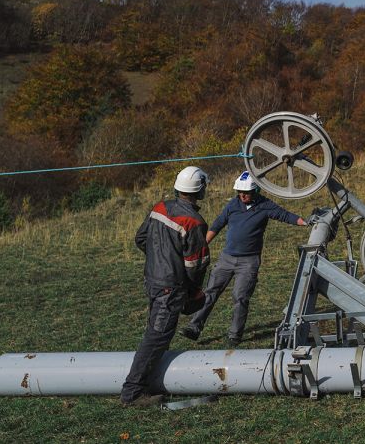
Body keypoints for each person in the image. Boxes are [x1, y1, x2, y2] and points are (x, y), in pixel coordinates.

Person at [180, 170, 306, 347]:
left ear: (255, 191)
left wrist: (305, 222)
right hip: (226, 258)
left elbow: (285, 216)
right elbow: (218, 224)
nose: (242, 195)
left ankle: (235, 335)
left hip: (249, 262)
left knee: (240, 297)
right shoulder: (233, 205)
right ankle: (194, 327)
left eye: (246, 192)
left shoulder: (265, 205)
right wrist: (202, 245)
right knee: (210, 292)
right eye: (239, 192)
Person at [120, 166, 211, 407]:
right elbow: (196, 265)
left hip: (151, 281)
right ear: (200, 190)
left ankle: (151, 380)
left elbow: (141, 239)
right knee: (157, 337)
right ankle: (133, 393)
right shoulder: (194, 221)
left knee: (157, 333)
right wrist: (193, 293)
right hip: (171, 289)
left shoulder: (159, 208)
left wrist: (159, 259)